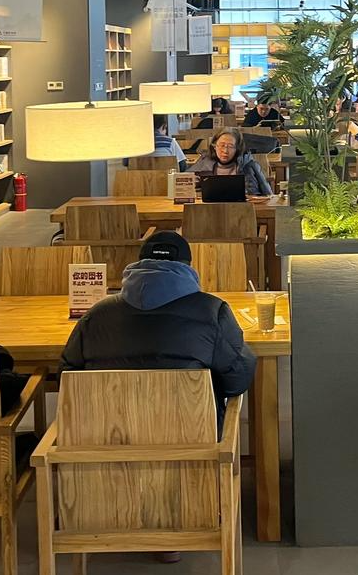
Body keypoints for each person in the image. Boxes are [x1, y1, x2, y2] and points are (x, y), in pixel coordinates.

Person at [61, 230, 257, 423]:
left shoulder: (95, 316)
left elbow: (67, 377)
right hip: (191, 437)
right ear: (188, 267)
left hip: (106, 438)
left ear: (139, 264)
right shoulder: (212, 312)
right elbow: (237, 380)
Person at [187, 128, 273, 196]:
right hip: (210, 209)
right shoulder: (204, 163)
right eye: (222, 145)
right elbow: (186, 184)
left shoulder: (248, 165)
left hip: (243, 209)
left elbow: (268, 195)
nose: (225, 151)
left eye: (231, 146)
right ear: (214, 146)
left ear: (237, 149)